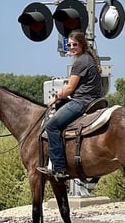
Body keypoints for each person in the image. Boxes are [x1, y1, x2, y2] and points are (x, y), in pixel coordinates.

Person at [38, 30, 103, 180]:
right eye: (69, 45)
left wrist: (54, 98)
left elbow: (70, 88)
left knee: (51, 126)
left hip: (81, 102)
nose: (72, 47)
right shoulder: (88, 59)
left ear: (82, 45)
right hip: (92, 100)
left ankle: (59, 167)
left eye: (75, 44)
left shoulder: (80, 62)